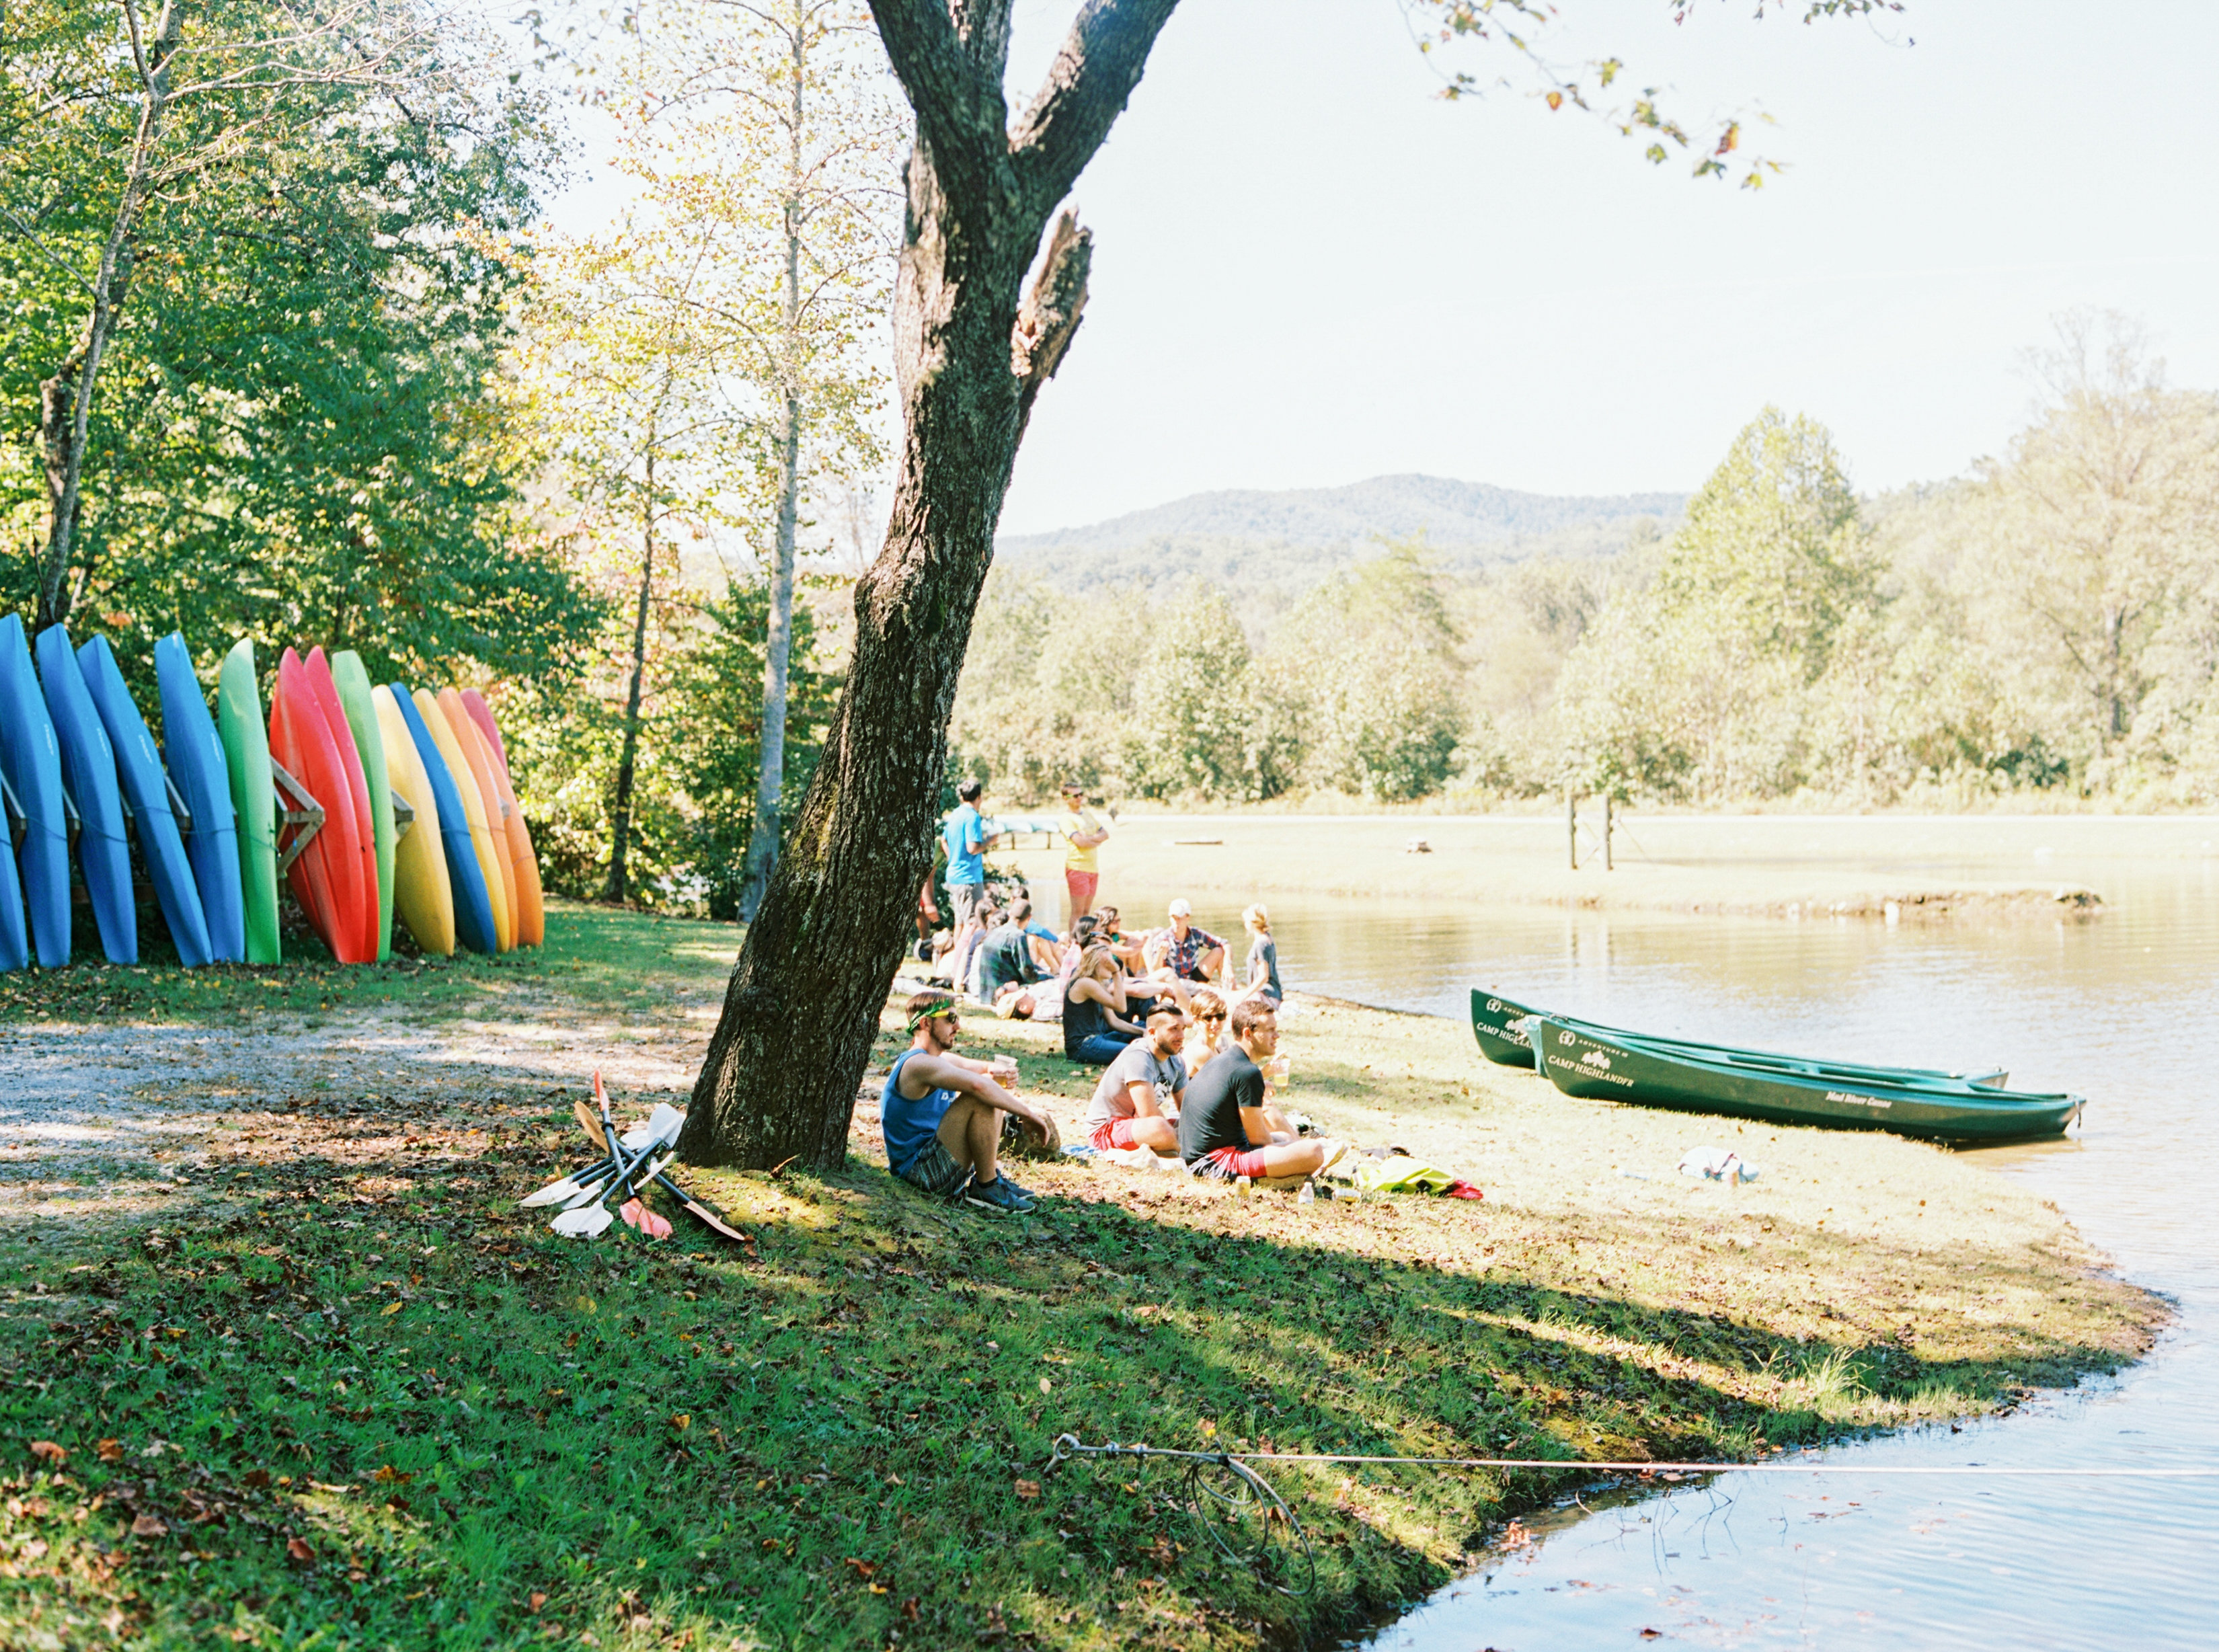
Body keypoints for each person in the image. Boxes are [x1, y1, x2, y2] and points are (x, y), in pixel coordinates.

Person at [880, 992, 1059, 1213]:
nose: (958, 1026)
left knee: (989, 1088)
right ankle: (987, 1186)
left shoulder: (938, 1060)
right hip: (919, 1172)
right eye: (950, 1019)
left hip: (931, 1161)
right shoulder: (918, 1064)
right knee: (980, 1094)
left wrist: (997, 1071)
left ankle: (991, 1179)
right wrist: (1028, 1115)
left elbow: (981, 1069)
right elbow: (978, 1086)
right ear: (926, 1023)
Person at [1178, 998, 1342, 1185]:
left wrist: (1286, 1147)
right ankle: (1273, 1177)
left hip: (1202, 1157)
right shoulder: (1247, 1072)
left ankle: (1284, 1170)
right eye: (1270, 1030)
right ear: (1248, 1033)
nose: (1277, 1036)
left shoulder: (1228, 1060)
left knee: (1285, 1137)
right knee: (1313, 1151)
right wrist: (1291, 1154)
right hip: (1213, 1163)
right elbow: (1259, 1139)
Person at [1084, 1001, 1187, 1154]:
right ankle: (1187, 1154)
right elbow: (1149, 1114)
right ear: (1152, 1032)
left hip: (1141, 1127)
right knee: (1160, 1128)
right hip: (1106, 1130)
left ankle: (1173, 1149)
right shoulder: (1138, 1056)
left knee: (1194, 1125)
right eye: (1174, 1029)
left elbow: (1187, 1109)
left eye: (1183, 1029)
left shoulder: (1176, 1061)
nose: (1181, 1036)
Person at [1063, 943, 1142, 1063]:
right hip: (1082, 1046)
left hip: (1097, 1039)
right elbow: (1121, 1007)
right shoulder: (1085, 983)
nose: (1112, 965)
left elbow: (1114, 1021)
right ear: (1095, 964)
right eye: (1108, 963)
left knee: (1142, 1025)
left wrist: (1143, 1031)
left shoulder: (1098, 983)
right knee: (1135, 1053)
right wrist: (1116, 973)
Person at [941, 779, 999, 930]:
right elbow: (972, 848)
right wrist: (989, 841)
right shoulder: (972, 817)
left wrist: (953, 860)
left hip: (954, 876)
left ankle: (958, 947)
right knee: (974, 924)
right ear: (979, 797)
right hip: (969, 879)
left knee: (959, 923)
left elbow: (943, 840)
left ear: (962, 797)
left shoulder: (956, 813)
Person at [1058, 781, 1110, 927]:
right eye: (1075, 796)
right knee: (1078, 911)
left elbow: (1105, 834)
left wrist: (1090, 839)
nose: (1079, 798)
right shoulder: (1066, 819)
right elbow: (1079, 842)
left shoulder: (1087, 814)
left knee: (1086, 912)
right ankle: (1074, 939)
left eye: (1081, 794)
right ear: (1066, 798)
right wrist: (1095, 840)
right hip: (1077, 868)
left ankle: (1084, 939)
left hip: (1092, 869)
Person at [1159, 899, 1227, 984]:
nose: (1176, 922)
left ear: (1188, 918)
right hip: (1173, 982)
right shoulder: (1162, 939)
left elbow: (1224, 943)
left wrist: (1228, 965)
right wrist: (1159, 955)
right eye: (1174, 918)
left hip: (1192, 978)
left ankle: (1228, 986)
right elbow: (1154, 972)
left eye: (1180, 918)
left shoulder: (1195, 934)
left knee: (1219, 951)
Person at [1235, 904, 1283, 1005]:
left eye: (1246, 921)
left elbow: (1263, 977)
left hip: (1267, 993)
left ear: (1252, 923)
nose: (1245, 923)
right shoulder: (1268, 938)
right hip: (1275, 990)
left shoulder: (1260, 944)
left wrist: (1245, 995)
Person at [1184, 988, 1229, 1070]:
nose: (1215, 1023)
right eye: (1208, 1018)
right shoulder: (1200, 1051)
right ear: (1196, 1020)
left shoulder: (1217, 1047)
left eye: (1220, 1016)